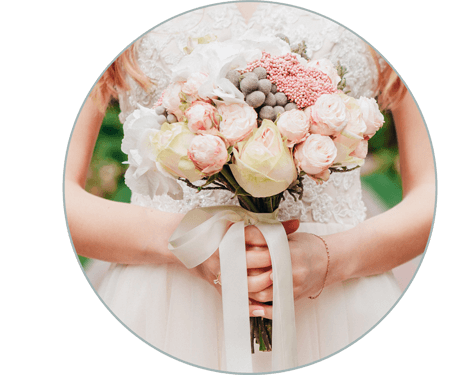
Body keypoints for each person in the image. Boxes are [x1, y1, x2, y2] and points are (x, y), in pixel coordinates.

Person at [65, 1, 435, 372]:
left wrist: (330, 260)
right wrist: (187, 242)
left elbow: (429, 195)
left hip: (340, 300)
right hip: (167, 301)